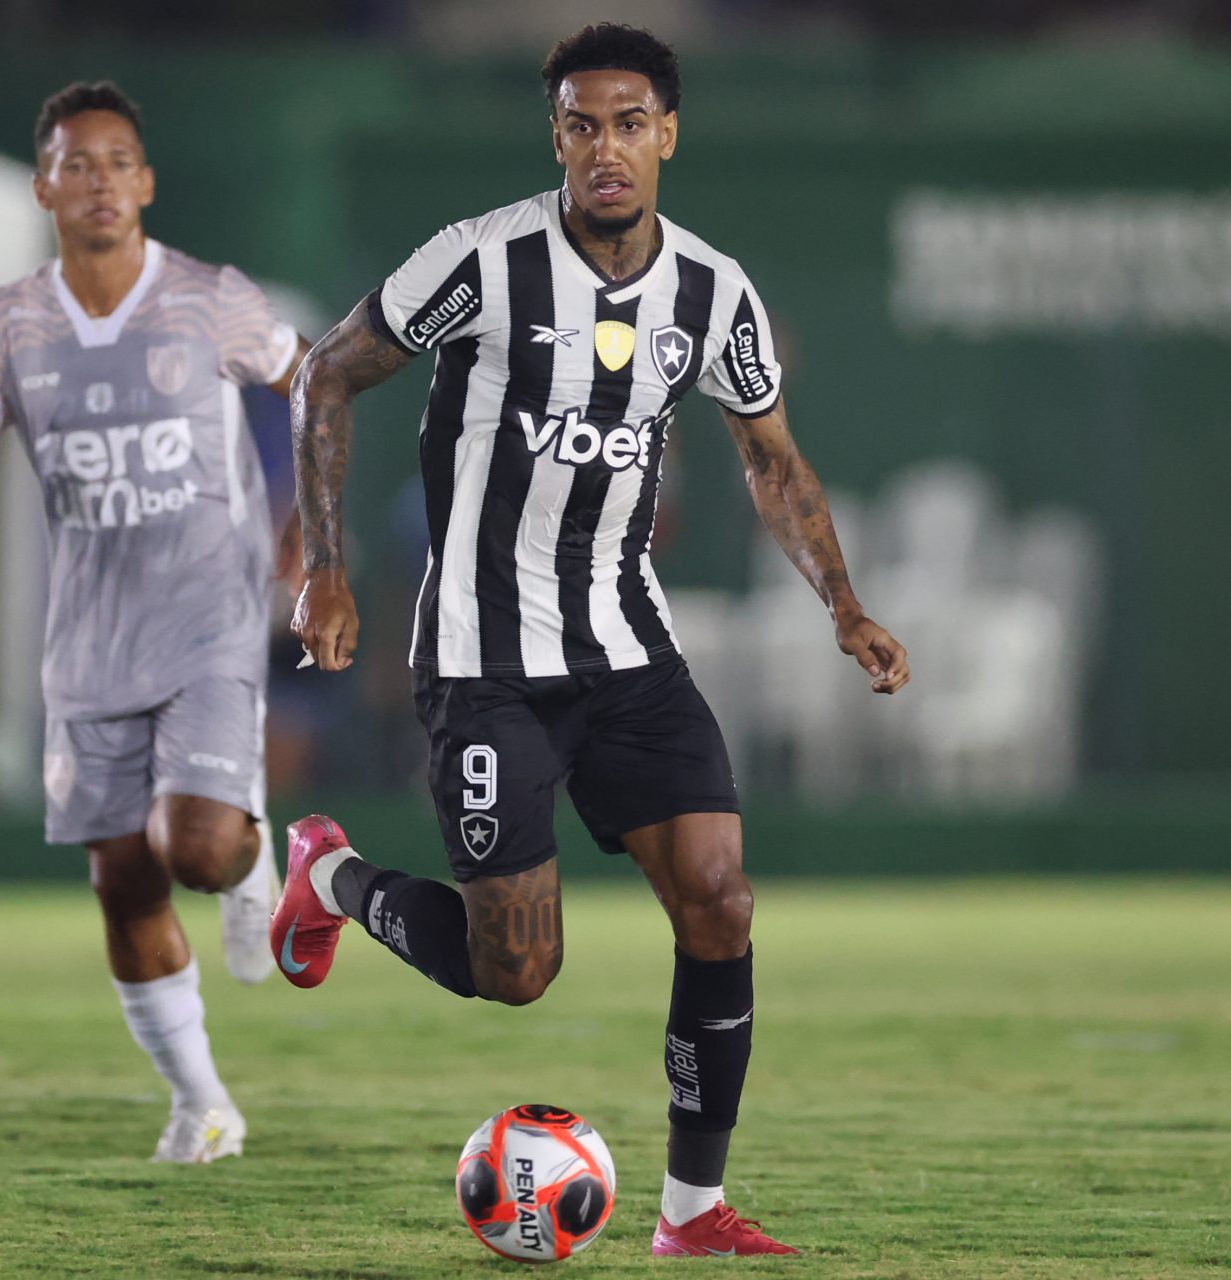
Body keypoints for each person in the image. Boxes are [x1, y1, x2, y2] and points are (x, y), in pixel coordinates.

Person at [272, 24, 910, 1257]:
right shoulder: (483, 259)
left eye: (628, 123)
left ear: (667, 133)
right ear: (554, 136)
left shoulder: (713, 293)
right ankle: (332, 877)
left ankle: (689, 1211)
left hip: (628, 651)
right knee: (517, 971)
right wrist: (329, 567)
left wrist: (843, 602)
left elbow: (771, 462)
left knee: (719, 899)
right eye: (580, 125)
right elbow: (324, 376)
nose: (604, 148)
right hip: (483, 656)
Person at [0, 82, 305, 1163]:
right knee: (123, 881)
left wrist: (305, 513)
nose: (101, 182)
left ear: (148, 183)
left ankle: (249, 850)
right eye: (77, 165)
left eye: (120, 161)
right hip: (88, 644)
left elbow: (304, 377)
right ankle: (202, 1099)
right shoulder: (10, 320)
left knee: (197, 846)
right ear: (43, 186)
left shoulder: (209, 298)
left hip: (211, 617)